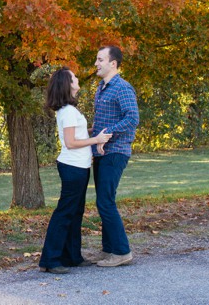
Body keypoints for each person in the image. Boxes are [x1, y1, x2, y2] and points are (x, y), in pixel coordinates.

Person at [39, 67, 112, 274]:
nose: (77, 79)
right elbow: (71, 143)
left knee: (75, 212)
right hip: (73, 167)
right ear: (67, 84)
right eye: (74, 77)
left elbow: (75, 135)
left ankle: (72, 257)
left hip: (79, 166)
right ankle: (50, 260)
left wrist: (92, 131)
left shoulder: (69, 109)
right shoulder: (69, 111)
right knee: (65, 212)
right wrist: (96, 139)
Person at [90, 45, 139, 267]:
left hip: (116, 151)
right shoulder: (101, 88)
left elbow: (132, 118)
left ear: (113, 63)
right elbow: (104, 122)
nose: (96, 64)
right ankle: (108, 249)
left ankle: (122, 252)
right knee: (103, 201)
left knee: (105, 201)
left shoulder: (122, 88)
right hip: (101, 152)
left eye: (100, 60)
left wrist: (107, 134)